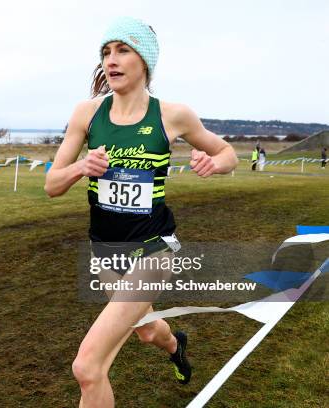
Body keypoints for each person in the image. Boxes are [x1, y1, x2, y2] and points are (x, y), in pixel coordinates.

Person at [44, 17, 238, 407]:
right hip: (106, 250)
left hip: (154, 249)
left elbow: (227, 153)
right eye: (106, 52)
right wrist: (82, 167)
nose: (110, 61)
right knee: (147, 332)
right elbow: (51, 184)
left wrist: (214, 165)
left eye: (122, 50)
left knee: (88, 367)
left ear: (144, 61)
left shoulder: (172, 115)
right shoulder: (87, 114)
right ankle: (175, 345)